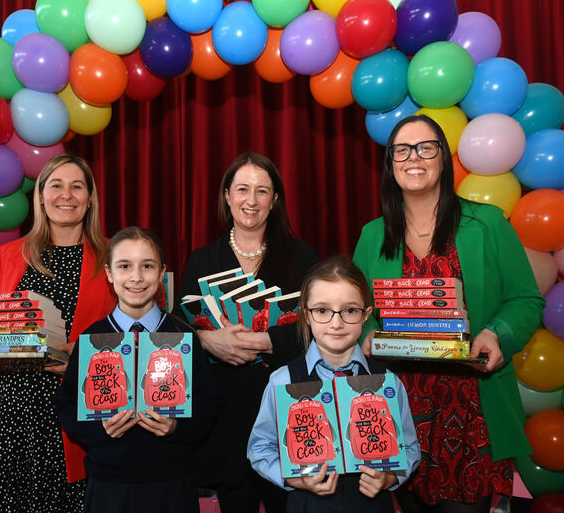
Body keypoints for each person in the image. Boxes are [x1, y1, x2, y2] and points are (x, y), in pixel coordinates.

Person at [352, 116, 545, 513]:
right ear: (390, 163)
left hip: (473, 411)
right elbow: (357, 311)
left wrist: (496, 334)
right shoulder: (373, 235)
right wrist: (366, 332)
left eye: (426, 147)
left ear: (443, 158)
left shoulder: (487, 224)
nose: (413, 157)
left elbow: (527, 301)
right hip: (399, 411)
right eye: (401, 150)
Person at [0, 154, 115, 513]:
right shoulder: (10, 255)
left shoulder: (111, 258)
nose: (66, 195)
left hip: (75, 410)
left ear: (90, 199)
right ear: (41, 195)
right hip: (13, 410)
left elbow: (134, 333)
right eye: (55, 185)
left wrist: (83, 353)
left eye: (77, 186)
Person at [177, 152, 318, 512]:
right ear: (227, 196)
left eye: (261, 191)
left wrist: (268, 341)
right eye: (242, 189)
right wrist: (206, 340)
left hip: (290, 412)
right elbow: (177, 335)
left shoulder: (303, 259)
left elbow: (322, 327)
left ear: (275, 200)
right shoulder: (202, 261)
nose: (251, 200)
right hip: (226, 419)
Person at [55, 226, 221, 513]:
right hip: (109, 481)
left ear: (161, 273)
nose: (136, 277)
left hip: (172, 480)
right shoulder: (92, 339)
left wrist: (176, 428)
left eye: (147, 266)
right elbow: (67, 406)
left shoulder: (183, 337)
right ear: (109, 273)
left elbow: (208, 404)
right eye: (124, 266)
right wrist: (99, 430)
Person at [247, 256, 420, 512]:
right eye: (322, 310)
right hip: (307, 505)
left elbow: (411, 447)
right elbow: (260, 448)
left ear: (366, 314)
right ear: (306, 314)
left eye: (349, 310)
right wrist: (296, 479)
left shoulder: (388, 382)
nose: (336, 323)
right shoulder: (282, 381)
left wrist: (389, 477)